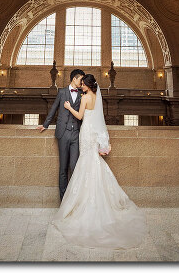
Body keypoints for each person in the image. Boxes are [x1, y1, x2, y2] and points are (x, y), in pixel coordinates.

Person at [51, 74, 147, 249]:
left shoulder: (85, 97)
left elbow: (80, 117)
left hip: (85, 133)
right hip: (93, 134)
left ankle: (83, 204)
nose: (81, 85)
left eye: (83, 84)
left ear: (87, 85)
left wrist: (67, 106)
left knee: (85, 163)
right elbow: (98, 119)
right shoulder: (95, 97)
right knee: (93, 162)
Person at [38, 69, 84, 201]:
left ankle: (74, 199)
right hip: (63, 133)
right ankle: (63, 200)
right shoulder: (62, 92)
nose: (82, 82)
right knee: (63, 168)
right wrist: (45, 124)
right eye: (81, 79)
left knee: (74, 167)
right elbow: (53, 108)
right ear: (74, 79)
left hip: (76, 133)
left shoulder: (82, 94)